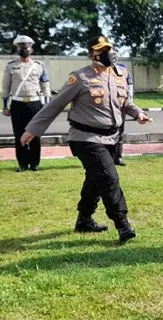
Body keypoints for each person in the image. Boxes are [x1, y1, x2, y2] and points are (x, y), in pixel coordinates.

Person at [21, 36, 150, 243]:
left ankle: (84, 220)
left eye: (110, 49)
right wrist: (33, 129)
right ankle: (122, 224)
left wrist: (138, 114)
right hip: (85, 138)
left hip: (111, 137)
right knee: (108, 177)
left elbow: (125, 102)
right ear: (92, 55)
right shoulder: (80, 77)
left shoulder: (119, 74)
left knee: (95, 179)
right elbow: (56, 104)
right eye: (103, 50)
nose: (109, 54)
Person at [2, 35, 51, 172]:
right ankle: (22, 164)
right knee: (19, 134)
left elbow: (45, 86)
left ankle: (35, 163)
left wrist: (46, 105)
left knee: (35, 134)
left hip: (35, 104)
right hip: (17, 104)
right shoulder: (11, 67)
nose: (24, 49)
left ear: (31, 49)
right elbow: (5, 87)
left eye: (27, 46)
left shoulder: (39, 66)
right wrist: (5, 106)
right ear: (17, 49)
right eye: (21, 47)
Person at [112, 60, 134, 167]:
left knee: (119, 132)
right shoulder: (102, 71)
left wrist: (129, 100)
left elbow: (129, 85)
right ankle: (108, 158)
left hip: (121, 106)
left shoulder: (123, 70)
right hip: (107, 107)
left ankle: (118, 157)